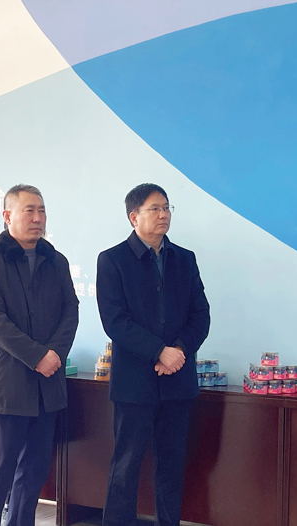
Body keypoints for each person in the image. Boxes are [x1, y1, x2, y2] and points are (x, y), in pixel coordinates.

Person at [96, 184, 210, 526]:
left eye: (166, 208)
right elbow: (115, 321)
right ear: (134, 217)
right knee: (125, 466)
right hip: (134, 384)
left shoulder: (184, 259)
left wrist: (179, 351)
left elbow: (200, 314)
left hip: (177, 381)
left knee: (171, 468)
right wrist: (159, 351)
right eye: (155, 208)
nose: (164, 215)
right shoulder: (112, 260)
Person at [0, 185, 79, 526]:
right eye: (29, 210)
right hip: (8, 386)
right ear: (7, 216)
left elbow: (70, 311)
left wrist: (55, 354)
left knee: (34, 471)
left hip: (48, 385)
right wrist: (37, 357)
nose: (37, 218)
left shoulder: (56, 261)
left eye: (41, 210)